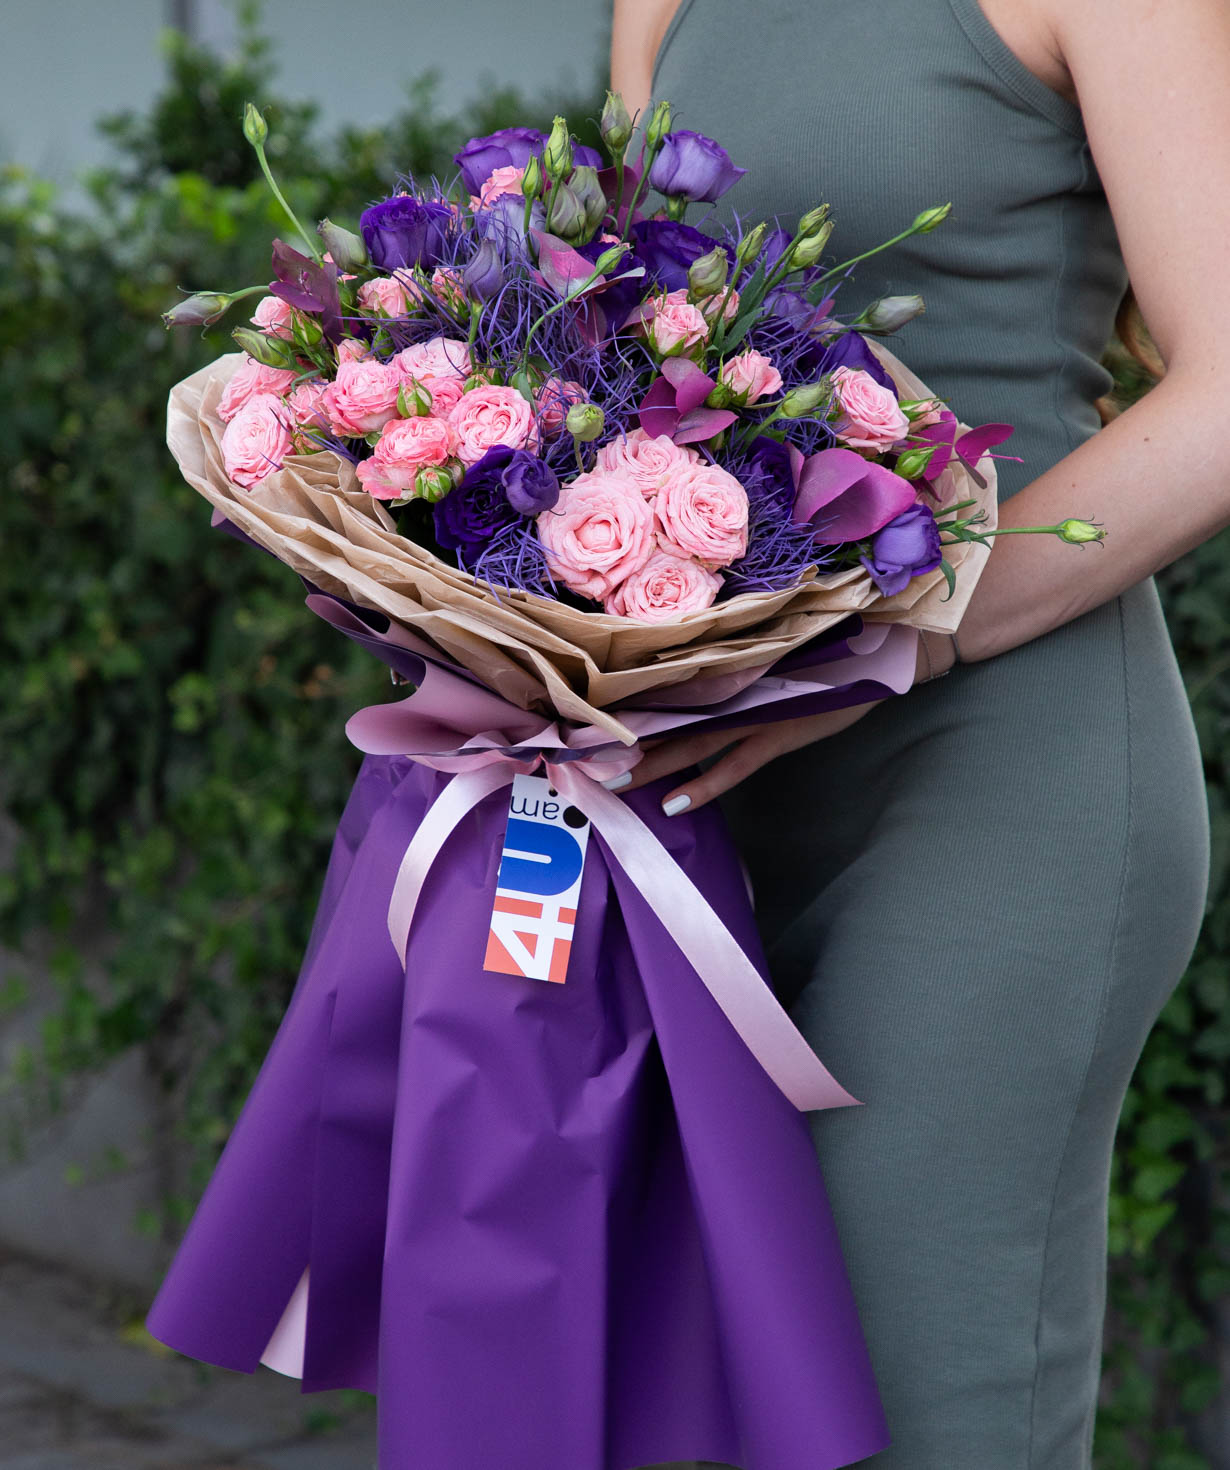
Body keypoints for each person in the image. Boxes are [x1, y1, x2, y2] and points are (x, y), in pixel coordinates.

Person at [612, 0, 1225, 1465]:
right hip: (715, 774)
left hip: (996, 776)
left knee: (920, 1420)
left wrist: (898, 625)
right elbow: (641, 336)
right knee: (698, 1411)